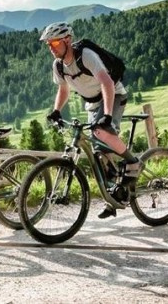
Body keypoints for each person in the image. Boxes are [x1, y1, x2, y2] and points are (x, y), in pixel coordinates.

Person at [39, 22, 140, 219]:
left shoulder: (86, 56)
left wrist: (108, 115)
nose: (51, 47)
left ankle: (133, 162)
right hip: (92, 104)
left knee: (101, 132)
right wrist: (56, 111)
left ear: (67, 40)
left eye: (55, 42)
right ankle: (114, 196)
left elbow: (107, 83)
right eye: (48, 44)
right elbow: (63, 89)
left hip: (113, 95)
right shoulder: (58, 65)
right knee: (98, 153)